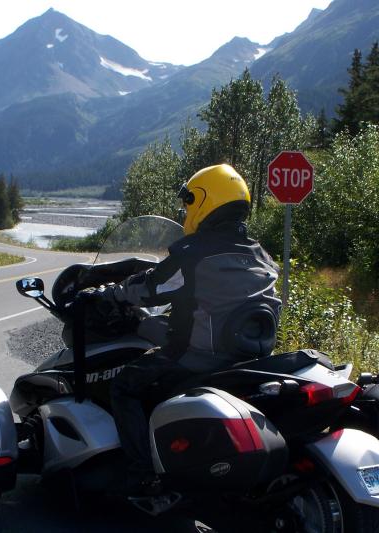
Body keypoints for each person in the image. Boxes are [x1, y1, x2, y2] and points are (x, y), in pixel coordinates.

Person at [93, 164, 280, 496]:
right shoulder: (260, 254)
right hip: (248, 361)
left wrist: (114, 293)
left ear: (205, 201)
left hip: (196, 359)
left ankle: (141, 476)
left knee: (124, 386)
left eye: (189, 203)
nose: (185, 211)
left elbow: (151, 287)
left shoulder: (194, 254)